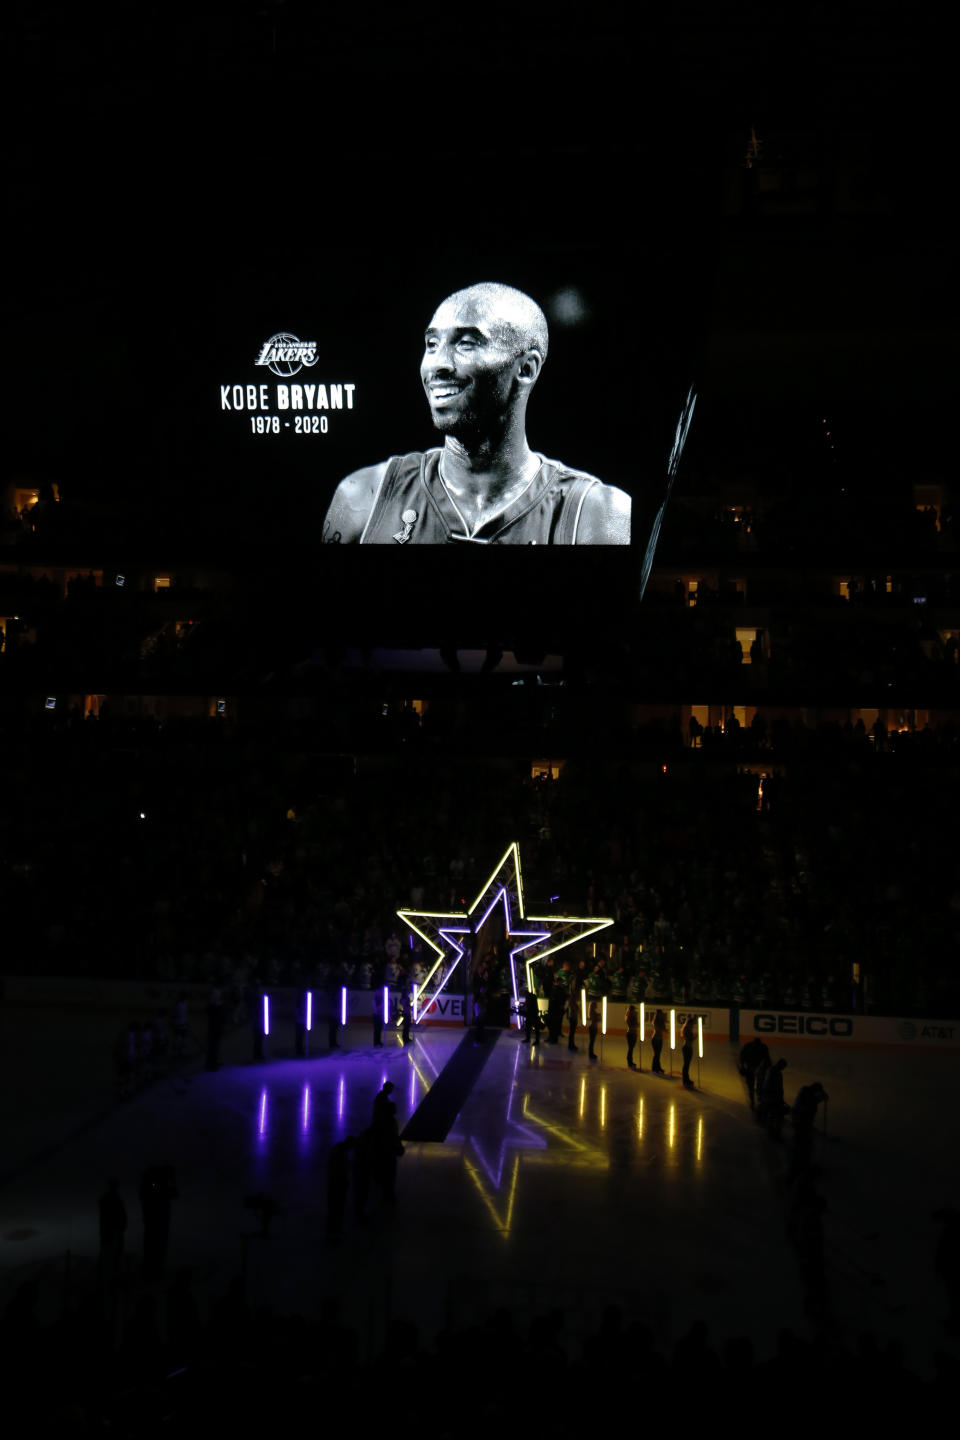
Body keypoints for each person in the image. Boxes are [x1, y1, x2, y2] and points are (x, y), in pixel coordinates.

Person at [322, 282, 631, 546]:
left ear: (526, 368)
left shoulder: (598, 514)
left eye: (466, 343)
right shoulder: (364, 496)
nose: (437, 364)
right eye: (432, 344)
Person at [738, 1035, 771, 1109]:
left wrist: (743, 1066)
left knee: (756, 1085)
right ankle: (754, 1099)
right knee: (752, 1085)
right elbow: (741, 1057)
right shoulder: (761, 1047)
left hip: (756, 1068)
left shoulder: (750, 1047)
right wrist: (743, 1066)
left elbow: (767, 1059)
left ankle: (756, 1099)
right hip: (751, 1069)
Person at [680, 1012, 696, 1089]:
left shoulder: (688, 1029)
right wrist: (695, 1037)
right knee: (686, 1064)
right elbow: (689, 1039)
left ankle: (687, 1079)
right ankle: (685, 1080)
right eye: (692, 1024)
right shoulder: (686, 1030)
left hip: (688, 1047)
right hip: (687, 1048)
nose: (693, 1026)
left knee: (687, 1065)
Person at [650, 1008, 666, 1074]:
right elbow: (658, 1028)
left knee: (658, 1054)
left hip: (660, 1039)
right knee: (656, 1054)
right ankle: (654, 1068)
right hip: (655, 1039)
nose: (662, 1015)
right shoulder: (655, 1021)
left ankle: (658, 1067)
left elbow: (663, 1029)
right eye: (661, 1014)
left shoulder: (661, 1021)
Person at [625, 1004, 639, 1069]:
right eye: (634, 1010)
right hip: (631, 1033)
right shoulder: (629, 1017)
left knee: (631, 1048)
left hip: (633, 1033)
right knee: (631, 1048)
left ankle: (630, 1061)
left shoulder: (632, 1016)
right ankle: (629, 1061)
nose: (635, 1011)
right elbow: (632, 1025)